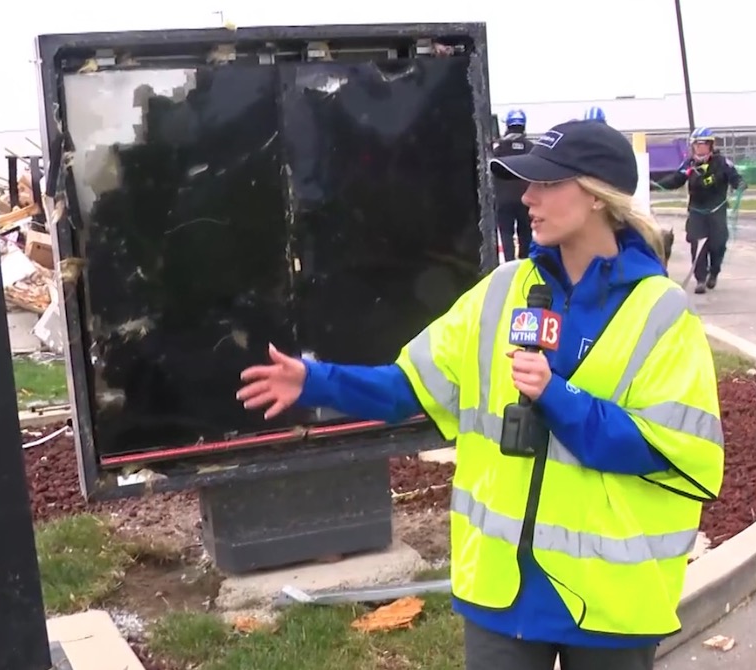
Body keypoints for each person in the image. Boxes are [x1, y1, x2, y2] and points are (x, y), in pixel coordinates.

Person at [236, 119, 724, 670]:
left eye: (546, 184)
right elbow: (408, 389)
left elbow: (665, 450)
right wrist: (317, 380)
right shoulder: (501, 291)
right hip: (501, 595)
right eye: (527, 184)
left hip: (609, 603)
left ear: (594, 198)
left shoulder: (661, 313)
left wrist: (559, 399)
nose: (528, 198)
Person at [653, 127, 744, 293]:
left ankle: (714, 272)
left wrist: (740, 184)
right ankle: (700, 279)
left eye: (703, 145)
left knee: (718, 244)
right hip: (697, 211)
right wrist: (656, 184)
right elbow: (676, 179)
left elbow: (735, 177)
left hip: (717, 210)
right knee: (697, 244)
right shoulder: (689, 164)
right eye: (697, 145)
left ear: (710, 146)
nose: (700, 148)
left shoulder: (721, 162)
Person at [493, 109, 533, 261]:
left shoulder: (499, 149)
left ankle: (508, 264)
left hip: (503, 200)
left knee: (506, 233)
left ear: (508, 125)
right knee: (525, 233)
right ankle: (524, 264)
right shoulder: (531, 148)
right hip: (526, 199)